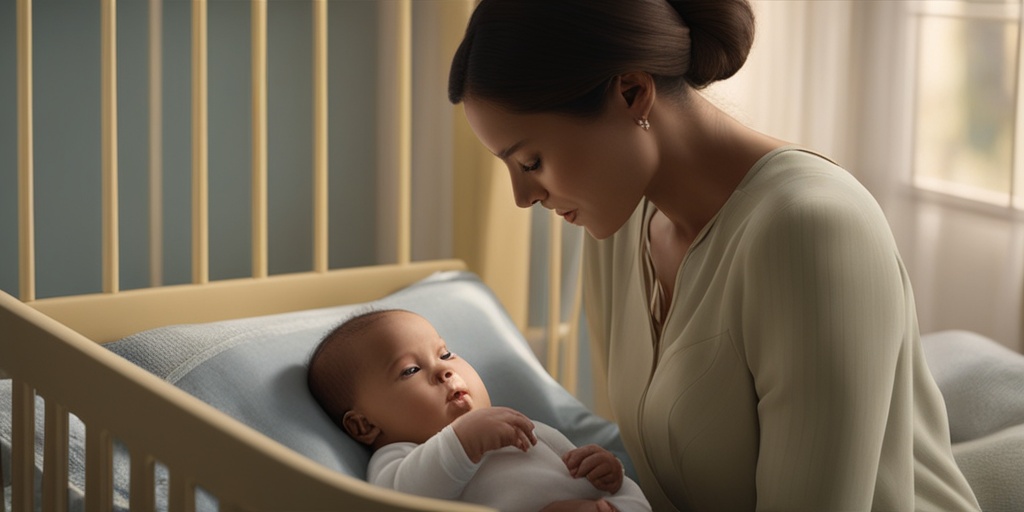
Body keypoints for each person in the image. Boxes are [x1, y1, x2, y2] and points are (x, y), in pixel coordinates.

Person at [447, 1, 982, 510]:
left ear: (633, 93)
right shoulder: (618, 226)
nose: (523, 197)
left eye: (532, 161)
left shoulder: (813, 229)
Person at [307, 308, 652, 512]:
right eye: (410, 370)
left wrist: (611, 478)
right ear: (364, 426)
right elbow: (402, 500)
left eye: (445, 354)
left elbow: (615, 489)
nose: (444, 371)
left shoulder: (527, 428)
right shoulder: (399, 459)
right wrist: (462, 442)